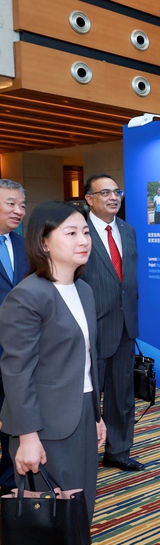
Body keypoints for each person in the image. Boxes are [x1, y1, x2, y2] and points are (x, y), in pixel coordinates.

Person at [0, 201, 125, 545]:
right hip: (44, 430)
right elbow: (16, 373)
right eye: (71, 233)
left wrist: (96, 416)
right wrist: (26, 437)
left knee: (69, 516)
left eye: (85, 233)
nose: (83, 241)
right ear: (44, 242)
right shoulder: (27, 296)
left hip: (80, 419)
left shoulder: (85, 290)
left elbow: (87, 364)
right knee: (66, 521)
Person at [82, 174, 144, 471]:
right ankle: (81, 453)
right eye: (104, 192)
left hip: (124, 326)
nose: (113, 197)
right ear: (89, 199)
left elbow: (128, 280)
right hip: (90, 325)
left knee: (122, 395)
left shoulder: (127, 230)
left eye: (117, 191)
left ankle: (118, 451)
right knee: (86, 395)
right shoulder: (77, 230)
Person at [0, 179, 28, 496]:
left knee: (12, 413)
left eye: (22, 205)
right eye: (11, 204)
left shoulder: (22, 245)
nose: (19, 211)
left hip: (16, 348)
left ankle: (8, 479)